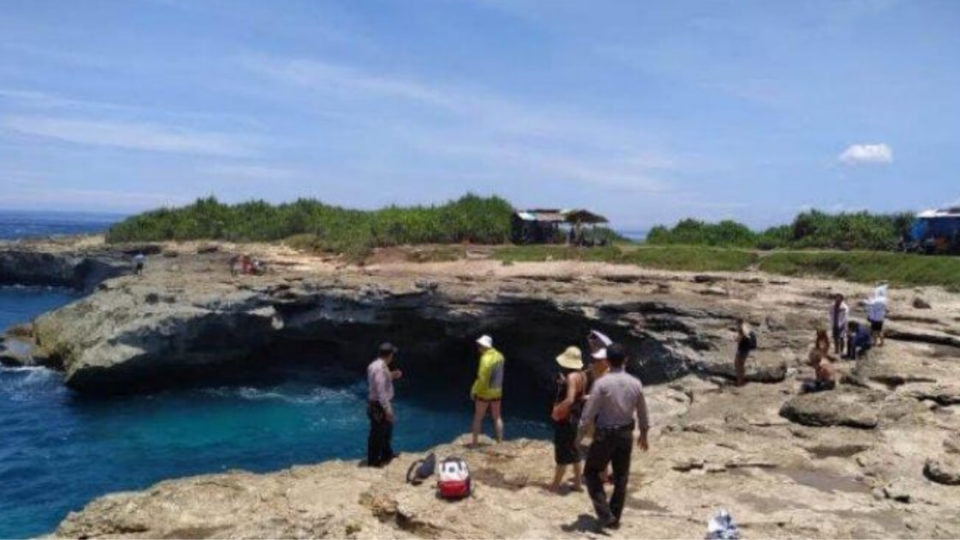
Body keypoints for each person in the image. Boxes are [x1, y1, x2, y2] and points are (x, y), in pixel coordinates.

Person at [577, 344, 650, 530]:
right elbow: (642, 411)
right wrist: (644, 433)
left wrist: (579, 436)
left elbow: (588, 413)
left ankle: (605, 514)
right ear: (626, 360)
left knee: (591, 473)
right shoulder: (636, 383)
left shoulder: (601, 383)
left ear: (607, 361)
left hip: (605, 434)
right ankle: (614, 519)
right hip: (626, 434)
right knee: (621, 477)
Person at [550, 346, 587, 492]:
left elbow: (570, 399)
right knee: (574, 450)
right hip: (576, 417)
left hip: (566, 419)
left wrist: (557, 410)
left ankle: (555, 486)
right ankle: (578, 484)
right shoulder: (582, 375)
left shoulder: (571, 377)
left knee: (562, 452)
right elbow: (581, 396)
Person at [367, 342, 403, 467]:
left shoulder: (376, 365)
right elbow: (381, 392)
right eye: (393, 354)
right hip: (379, 406)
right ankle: (373, 462)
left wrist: (392, 375)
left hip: (377, 404)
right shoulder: (380, 369)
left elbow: (379, 382)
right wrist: (388, 410)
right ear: (390, 355)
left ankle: (386, 455)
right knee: (378, 434)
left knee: (386, 432)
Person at [470, 335, 505, 446]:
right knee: (497, 417)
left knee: (478, 417)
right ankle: (500, 442)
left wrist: (474, 391)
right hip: (497, 391)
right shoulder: (500, 356)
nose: (478, 348)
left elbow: (482, 378)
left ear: (484, 346)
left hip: (484, 392)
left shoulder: (485, 359)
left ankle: (475, 444)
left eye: (479, 346)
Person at [733, 319, 754, 387]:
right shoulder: (747, 329)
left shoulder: (742, 330)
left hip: (742, 350)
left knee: (738, 365)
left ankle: (739, 382)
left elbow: (739, 340)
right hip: (746, 350)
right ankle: (742, 381)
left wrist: (735, 339)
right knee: (741, 365)